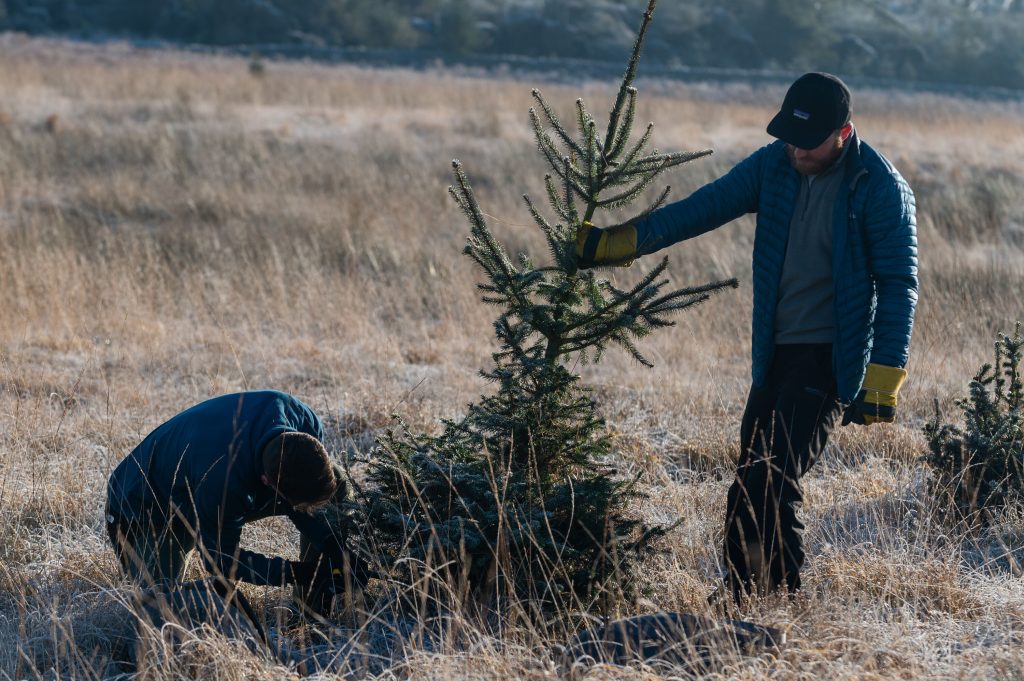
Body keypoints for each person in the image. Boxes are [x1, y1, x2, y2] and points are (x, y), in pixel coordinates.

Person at [576, 73, 917, 602]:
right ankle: (748, 601)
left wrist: (884, 377)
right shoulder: (773, 165)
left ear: (843, 135)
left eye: (809, 141)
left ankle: (776, 602)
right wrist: (620, 243)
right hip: (775, 355)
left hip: (830, 359)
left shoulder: (877, 185)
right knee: (748, 486)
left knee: (770, 480)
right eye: (789, 137)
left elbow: (899, 284)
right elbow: (702, 208)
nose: (796, 150)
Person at [105, 390, 360, 615]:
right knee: (160, 609)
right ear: (266, 482)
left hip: (214, 478)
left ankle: (311, 611)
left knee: (337, 482)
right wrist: (300, 573)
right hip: (149, 507)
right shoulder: (223, 480)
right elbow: (220, 560)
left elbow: (299, 496)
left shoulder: (304, 420)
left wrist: (334, 548)